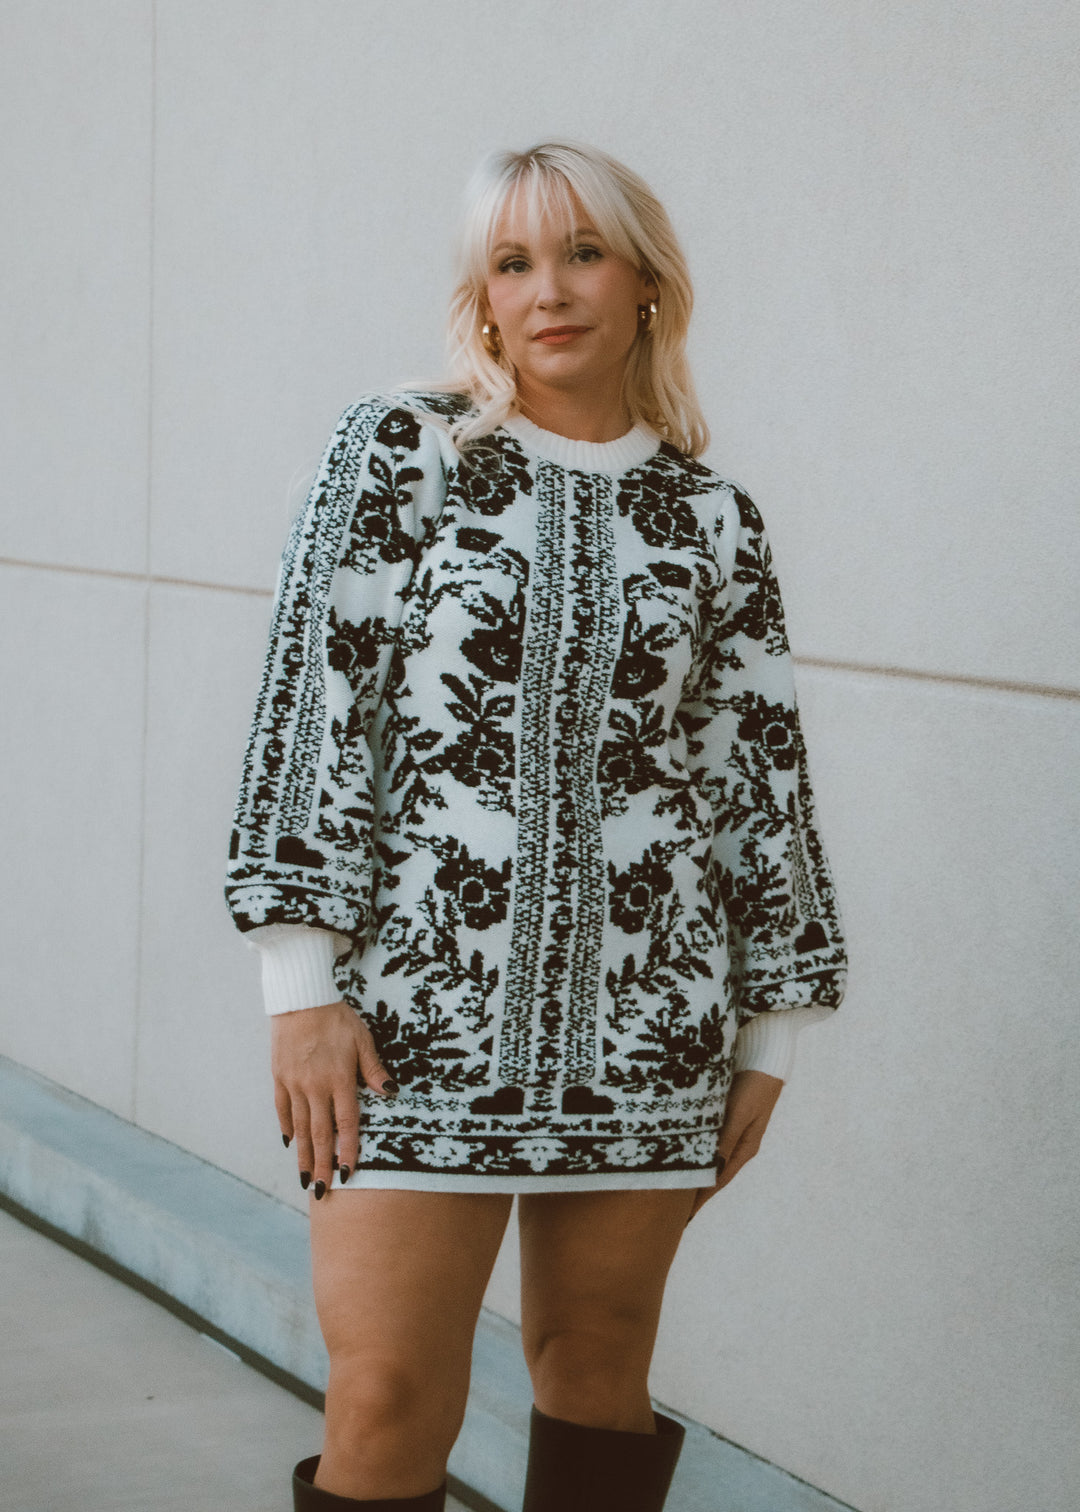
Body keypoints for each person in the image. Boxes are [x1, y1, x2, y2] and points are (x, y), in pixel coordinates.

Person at [225, 140, 847, 1512]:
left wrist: (773, 1031)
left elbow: (754, 774)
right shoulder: (403, 452)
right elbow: (316, 712)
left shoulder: (715, 519)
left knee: (598, 1361)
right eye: (513, 263)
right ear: (483, 299)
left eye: (581, 253)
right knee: (383, 1390)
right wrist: (299, 987)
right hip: (408, 1016)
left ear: (644, 287)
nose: (547, 290)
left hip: (650, 1021)